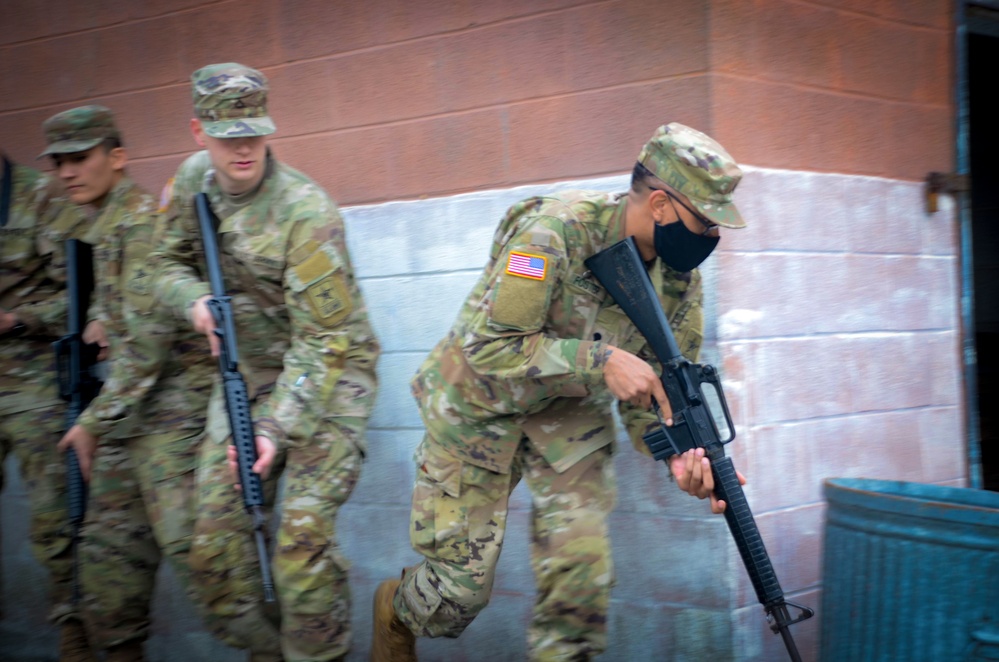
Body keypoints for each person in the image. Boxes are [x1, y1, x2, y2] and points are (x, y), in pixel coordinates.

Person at [371, 123, 748, 661]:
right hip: (478, 405)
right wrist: (600, 359)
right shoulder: (555, 231)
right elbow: (490, 348)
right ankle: (397, 608)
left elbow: (659, 391)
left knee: (582, 583)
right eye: (705, 221)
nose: (711, 237)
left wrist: (684, 458)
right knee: (456, 594)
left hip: (568, 413)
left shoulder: (678, 277)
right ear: (661, 205)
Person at [151, 62, 380, 662]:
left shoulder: (306, 213)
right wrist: (192, 302)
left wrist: (276, 429)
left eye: (254, 130)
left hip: (332, 382)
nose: (245, 147)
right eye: (229, 136)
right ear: (200, 133)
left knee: (300, 548)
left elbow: (326, 344)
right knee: (211, 555)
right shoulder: (190, 183)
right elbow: (162, 266)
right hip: (247, 378)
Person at [47, 105, 217, 661]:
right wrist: (100, 318)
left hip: (168, 421)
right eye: (60, 162)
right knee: (105, 584)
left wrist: (93, 424)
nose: (69, 172)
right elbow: (122, 313)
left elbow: (149, 347)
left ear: (117, 159)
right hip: (127, 420)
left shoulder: (141, 222)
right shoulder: (104, 227)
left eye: (81, 158)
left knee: (214, 580)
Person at [0, 148, 92, 659]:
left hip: (34, 376)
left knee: (56, 517)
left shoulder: (42, 194)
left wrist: (16, 320)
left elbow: (80, 294)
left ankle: (73, 631)